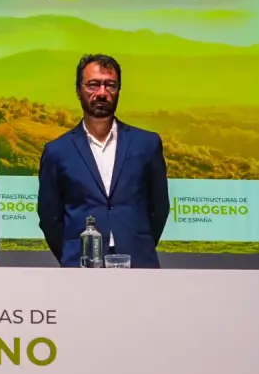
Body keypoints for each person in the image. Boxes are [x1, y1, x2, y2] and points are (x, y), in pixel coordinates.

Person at [37, 54, 169, 267]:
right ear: (78, 90)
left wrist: (137, 244)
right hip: (80, 265)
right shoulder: (57, 151)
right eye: (93, 85)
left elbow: (159, 208)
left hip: (138, 262)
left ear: (119, 90)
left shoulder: (147, 144)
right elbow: (50, 217)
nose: (101, 93)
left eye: (110, 85)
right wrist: (72, 252)